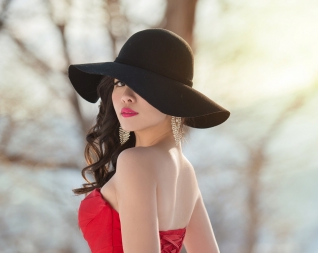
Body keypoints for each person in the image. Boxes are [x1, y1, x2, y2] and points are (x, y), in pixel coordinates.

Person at [68, 28, 230, 253]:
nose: (126, 95)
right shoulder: (185, 170)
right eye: (119, 83)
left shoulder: (135, 161)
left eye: (143, 85)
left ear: (173, 99)